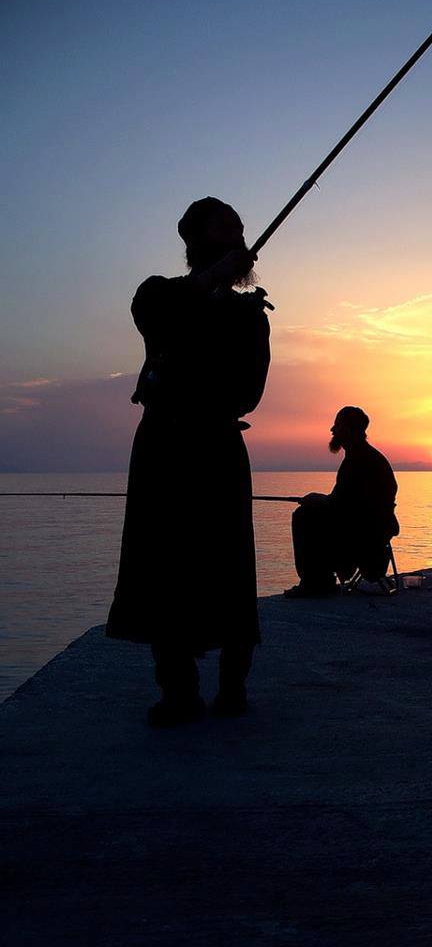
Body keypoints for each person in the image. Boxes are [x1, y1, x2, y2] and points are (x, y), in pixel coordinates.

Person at [107, 197, 272, 726]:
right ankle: (178, 692)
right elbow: (158, 317)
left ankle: (233, 687)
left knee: (231, 563)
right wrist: (212, 284)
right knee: (162, 563)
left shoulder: (248, 315)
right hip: (163, 447)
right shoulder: (156, 293)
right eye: (227, 230)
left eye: (241, 231)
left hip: (219, 445)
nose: (240, 240)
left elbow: (249, 393)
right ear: (195, 240)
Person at [284, 407, 399, 598]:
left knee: (304, 516)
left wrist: (315, 499)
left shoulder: (359, 460)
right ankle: (321, 580)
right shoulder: (364, 456)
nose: (332, 430)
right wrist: (321, 500)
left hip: (364, 531)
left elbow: (342, 505)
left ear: (349, 429)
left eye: (337, 425)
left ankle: (315, 583)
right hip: (372, 527)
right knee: (312, 512)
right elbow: (344, 502)